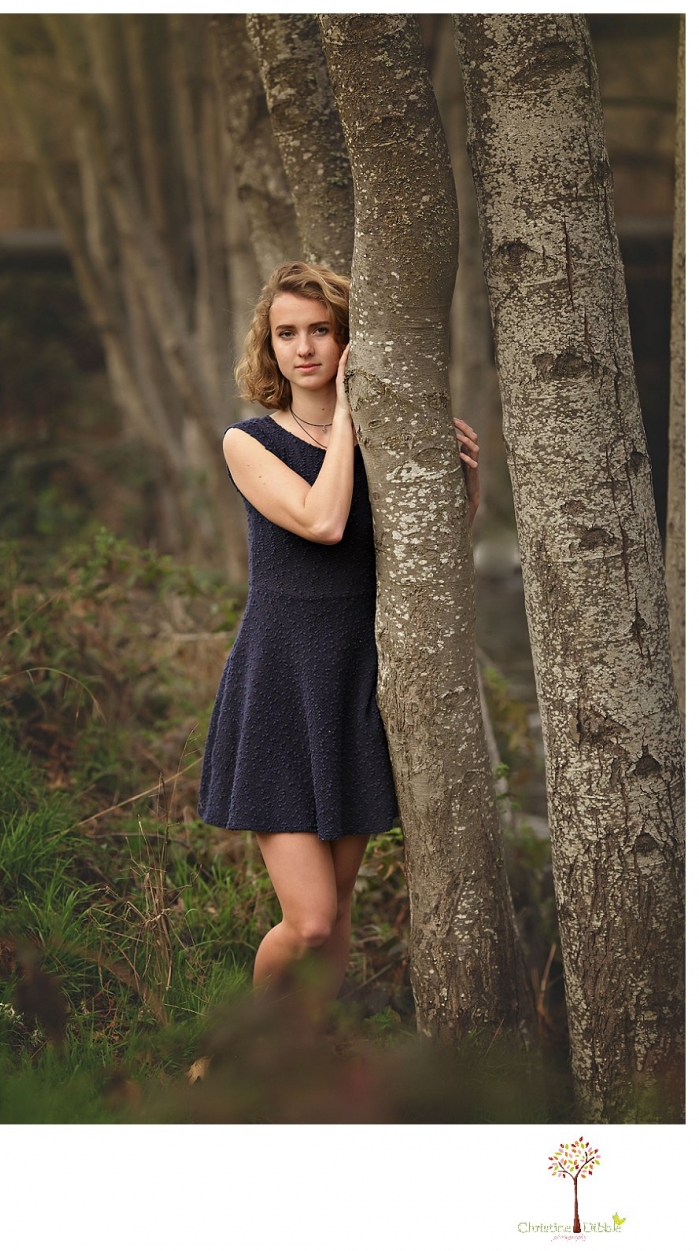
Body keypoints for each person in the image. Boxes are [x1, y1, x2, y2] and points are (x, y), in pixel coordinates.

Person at [198, 261, 480, 1010]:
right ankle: (242, 1055)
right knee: (312, 919)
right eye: (287, 332)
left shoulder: (379, 444)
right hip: (282, 687)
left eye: (320, 330)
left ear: (346, 337)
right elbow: (323, 523)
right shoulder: (248, 442)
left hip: (356, 684)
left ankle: (306, 1060)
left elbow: (426, 565)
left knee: (344, 905)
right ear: (269, 345)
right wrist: (352, 418)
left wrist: (467, 488)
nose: (304, 347)